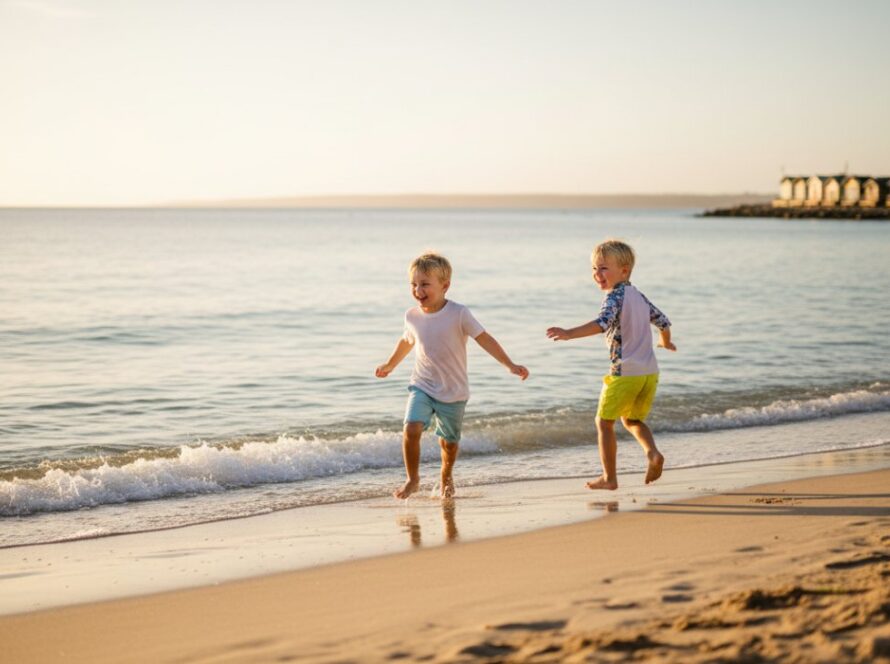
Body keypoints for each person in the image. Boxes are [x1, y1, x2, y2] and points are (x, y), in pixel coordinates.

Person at [376, 252, 529, 499]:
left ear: (445, 285)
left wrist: (509, 364)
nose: (417, 290)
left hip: (454, 391)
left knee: (448, 443)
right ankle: (412, 479)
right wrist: (390, 364)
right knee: (411, 429)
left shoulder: (459, 313)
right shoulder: (411, 316)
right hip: (422, 385)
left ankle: (446, 475)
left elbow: (485, 339)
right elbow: (407, 340)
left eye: (425, 284)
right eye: (413, 284)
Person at [546, 239, 675, 490]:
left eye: (603, 268)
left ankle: (609, 477)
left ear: (623, 270)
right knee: (632, 421)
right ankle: (653, 453)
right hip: (649, 373)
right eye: (594, 269)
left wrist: (569, 333)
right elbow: (664, 321)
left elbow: (602, 323)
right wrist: (666, 342)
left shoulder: (614, 297)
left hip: (624, 372)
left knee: (604, 423)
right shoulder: (638, 296)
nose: (597, 274)